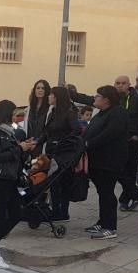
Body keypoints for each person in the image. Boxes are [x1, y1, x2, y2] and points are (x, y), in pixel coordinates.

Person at [0, 100, 37, 268]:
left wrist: (26, 148)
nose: (15, 117)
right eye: (13, 113)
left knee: (16, 213)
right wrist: (19, 148)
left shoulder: (9, 132)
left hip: (10, 179)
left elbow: (14, 154)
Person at [84, 85, 129, 240]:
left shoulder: (118, 113)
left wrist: (89, 144)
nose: (95, 98)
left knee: (107, 193)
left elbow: (109, 134)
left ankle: (110, 227)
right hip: (97, 160)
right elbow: (90, 131)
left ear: (107, 99)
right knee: (101, 192)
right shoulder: (101, 114)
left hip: (110, 160)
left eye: (97, 96)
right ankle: (102, 221)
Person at [41, 86, 80, 222]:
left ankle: (63, 212)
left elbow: (76, 131)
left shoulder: (69, 113)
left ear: (57, 96)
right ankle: (55, 210)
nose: (48, 97)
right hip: (52, 153)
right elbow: (48, 133)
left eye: (51, 94)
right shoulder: (53, 112)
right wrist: (37, 141)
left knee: (62, 183)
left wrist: (61, 142)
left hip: (63, 155)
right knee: (53, 184)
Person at [114, 75, 138, 211]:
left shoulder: (137, 100)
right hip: (118, 142)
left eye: (123, 83)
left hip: (133, 142)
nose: (120, 86)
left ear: (129, 84)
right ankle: (134, 195)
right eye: (117, 83)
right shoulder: (114, 100)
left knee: (128, 171)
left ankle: (127, 199)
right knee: (120, 171)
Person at [25, 79, 51, 143]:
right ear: (34, 90)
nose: (40, 90)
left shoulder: (50, 108)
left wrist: (37, 141)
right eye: (38, 88)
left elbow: (48, 129)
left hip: (43, 143)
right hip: (29, 141)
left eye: (43, 88)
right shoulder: (30, 108)